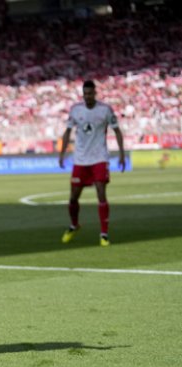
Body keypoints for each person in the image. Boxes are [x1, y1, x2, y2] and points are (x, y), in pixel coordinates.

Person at [58, 80, 125, 247]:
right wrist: (62, 153)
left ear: (95, 93)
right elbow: (67, 132)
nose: (87, 96)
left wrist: (122, 154)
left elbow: (117, 131)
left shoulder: (105, 110)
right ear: (83, 94)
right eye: (85, 93)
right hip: (80, 159)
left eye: (90, 93)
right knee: (73, 197)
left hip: (99, 158)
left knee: (101, 193)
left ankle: (104, 234)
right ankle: (74, 225)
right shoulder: (75, 110)